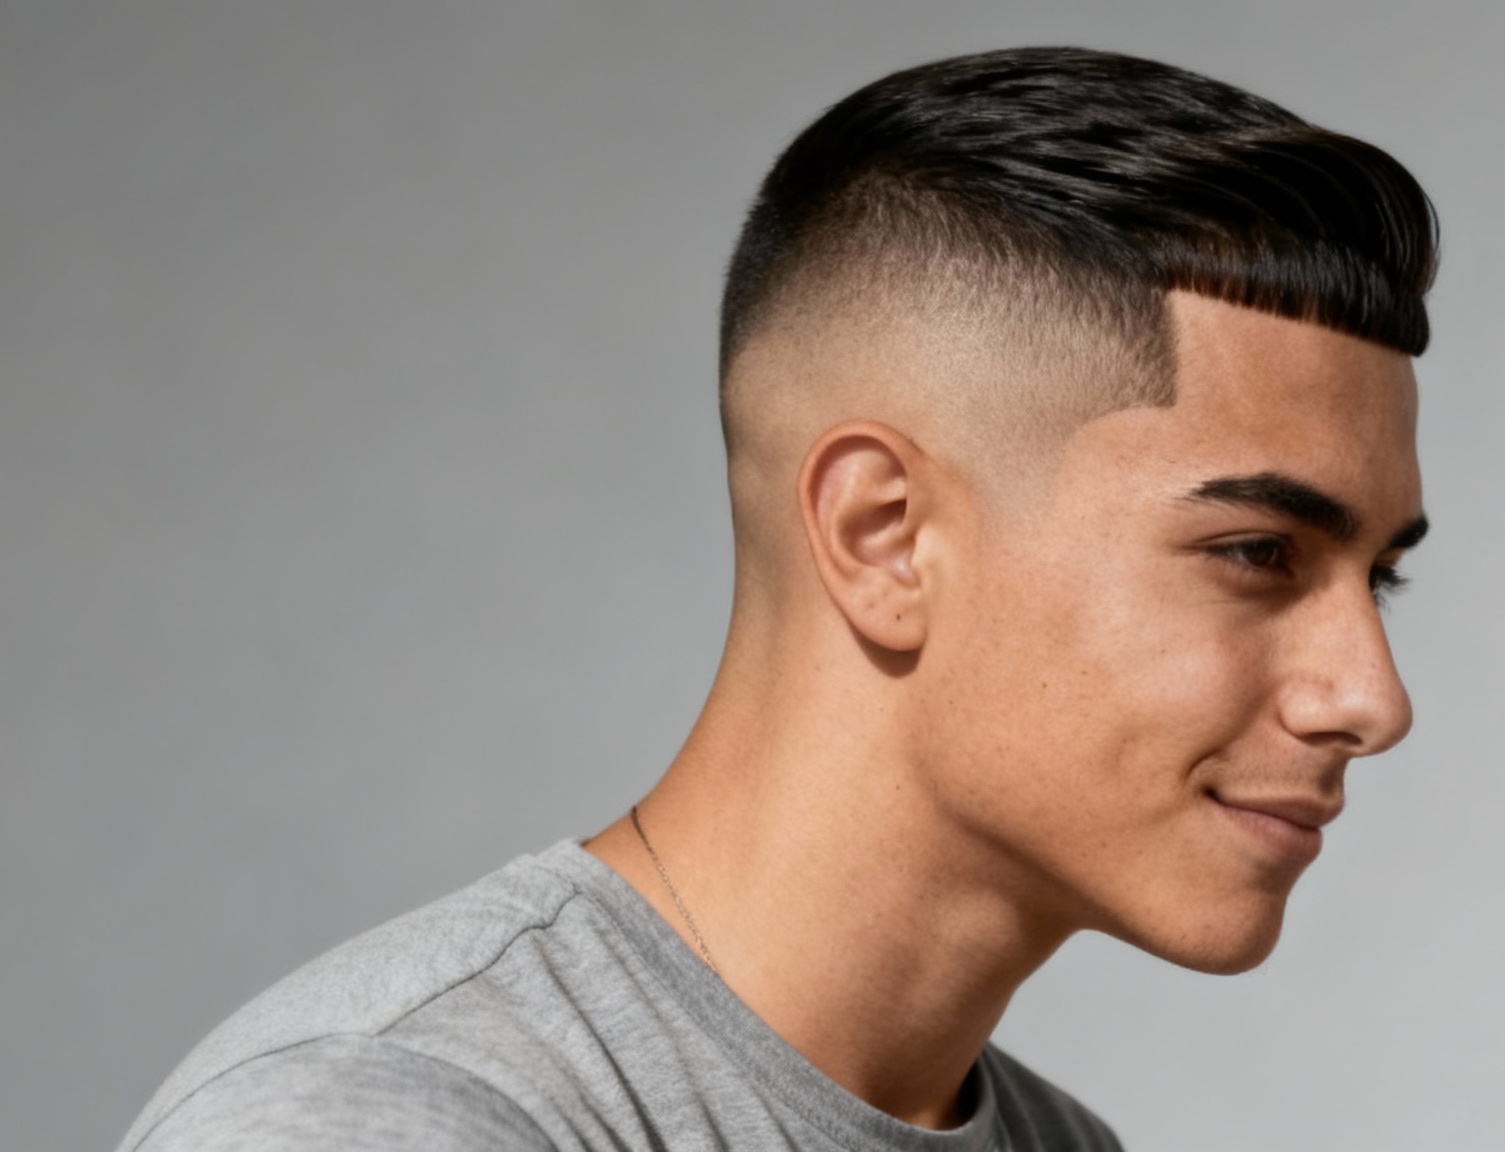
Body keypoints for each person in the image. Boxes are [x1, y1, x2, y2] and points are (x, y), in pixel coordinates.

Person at [118, 45, 1436, 1151]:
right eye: (1258, 553)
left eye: (1379, 576)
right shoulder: (382, 1117)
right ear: (884, 536)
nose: (1372, 699)